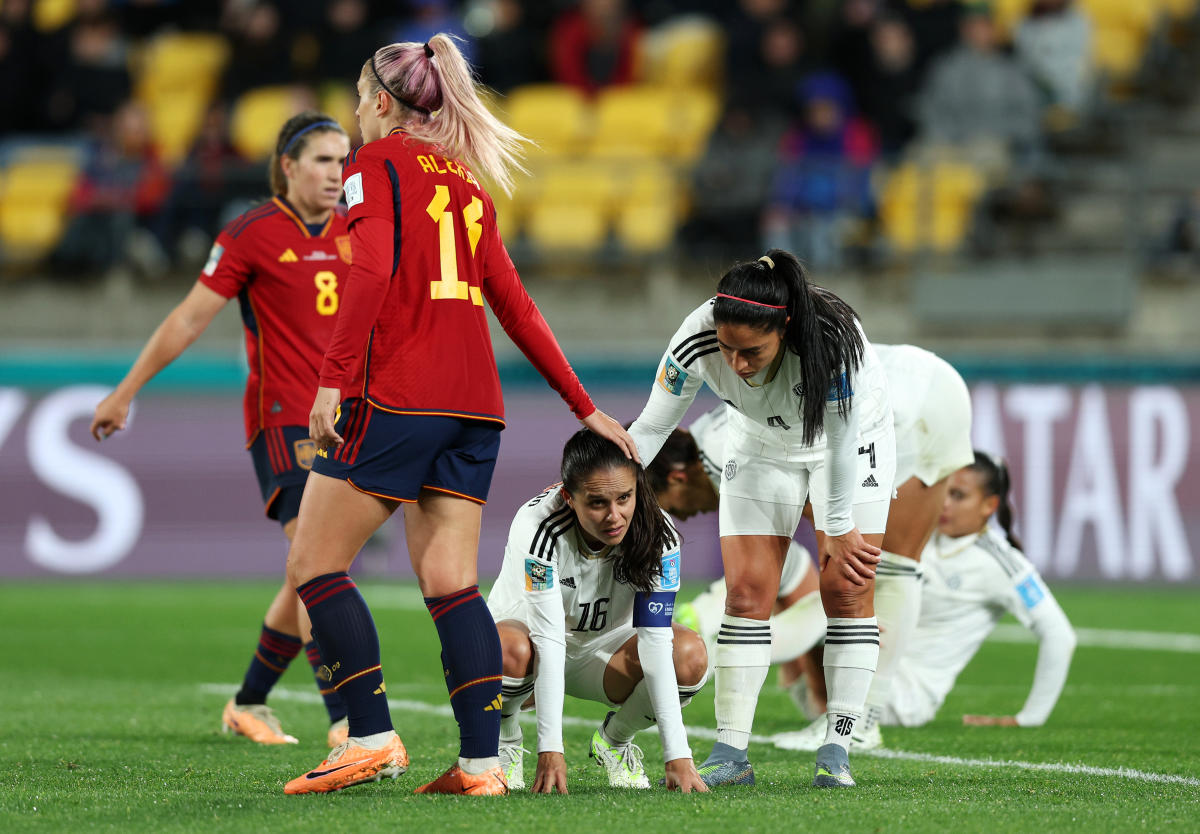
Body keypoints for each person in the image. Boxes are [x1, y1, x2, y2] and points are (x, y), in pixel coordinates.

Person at [281, 35, 637, 797]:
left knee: (314, 562)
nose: (352, 109)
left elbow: (372, 270)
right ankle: (480, 766)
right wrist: (584, 405)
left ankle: (370, 737)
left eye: (356, 94)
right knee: (450, 582)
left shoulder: (370, 167)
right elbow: (515, 304)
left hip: (400, 393)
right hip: (475, 406)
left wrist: (331, 383)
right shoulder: (467, 181)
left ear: (381, 101)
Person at [90, 113, 354, 747]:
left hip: (347, 420)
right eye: (322, 160)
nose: (336, 174)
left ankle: (248, 702)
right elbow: (188, 319)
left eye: (344, 161)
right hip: (283, 418)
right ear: (287, 167)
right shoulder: (250, 234)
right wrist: (126, 392)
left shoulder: (359, 230)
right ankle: (347, 718)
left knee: (308, 569)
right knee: (315, 561)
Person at [628, 248, 896, 789]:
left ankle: (837, 748)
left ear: (786, 329)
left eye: (752, 352)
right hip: (756, 443)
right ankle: (731, 753)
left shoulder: (832, 344)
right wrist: (607, 482)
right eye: (727, 349)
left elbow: (841, 443)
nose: (736, 365)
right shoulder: (696, 335)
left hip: (849, 444)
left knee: (846, 588)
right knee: (747, 593)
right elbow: (653, 429)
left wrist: (838, 526)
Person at [657, 343, 975, 749]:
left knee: (869, 566)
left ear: (678, 478)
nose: (680, 516)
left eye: (669, 506)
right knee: (895, 563)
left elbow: (831, 529)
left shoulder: (725, 456)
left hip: (901, 402)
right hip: (929, 380)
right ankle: (861, 718)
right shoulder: (712, 437)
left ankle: (859, 722)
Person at [779, 452, 1076, 737]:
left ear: (989, 505)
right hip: (841, 674)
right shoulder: (920, 533)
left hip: (899, 699)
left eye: (958, 496)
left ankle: (750, 646)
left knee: (836, 606)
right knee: (786, 562)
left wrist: (1030, 718)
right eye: (944, 490)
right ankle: (761, 651)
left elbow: (1059, 635)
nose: (945, 503)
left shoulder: (1001, 562)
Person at [487, 430, 709, 793]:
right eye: (597, 503)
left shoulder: (659, 535)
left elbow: (655, 639)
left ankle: (615, 740)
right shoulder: (537, 527)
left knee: (688, 657)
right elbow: (547, 638)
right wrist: (551, 749)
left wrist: (678, 754)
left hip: (604, 653)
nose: (614, 516)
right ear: (568, 498)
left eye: (624, 497)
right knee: (506, 650)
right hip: (527, 646)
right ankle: (506, 736)